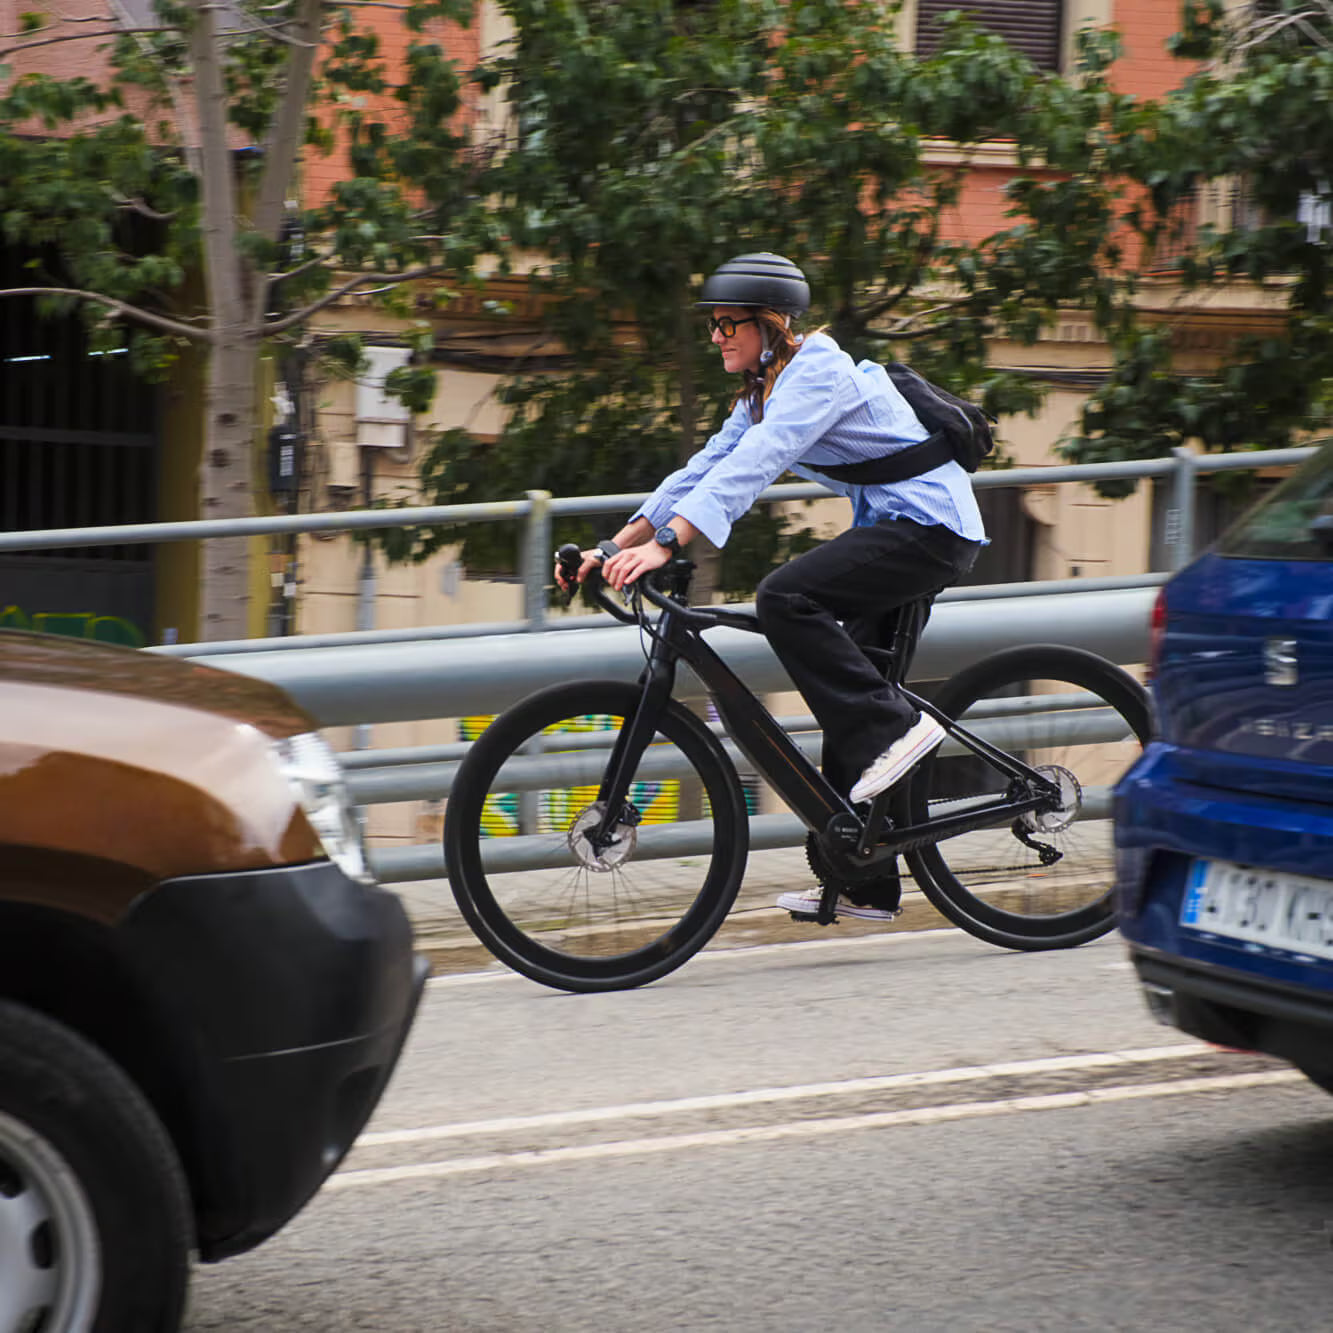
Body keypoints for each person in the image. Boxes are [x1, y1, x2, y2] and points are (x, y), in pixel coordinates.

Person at [558, 252, 986, 922]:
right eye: (713, 325)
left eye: (732, 323)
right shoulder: (762, 390)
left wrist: (669, 542)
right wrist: (614, 545)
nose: (718, 335)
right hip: (896, 525)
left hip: (929, 527)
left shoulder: (814, 371)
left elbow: (758, 463)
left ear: (772, 324)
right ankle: (865, 882)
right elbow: (706, 467)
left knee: (785, 598)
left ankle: (896, 727)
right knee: (847, 697)